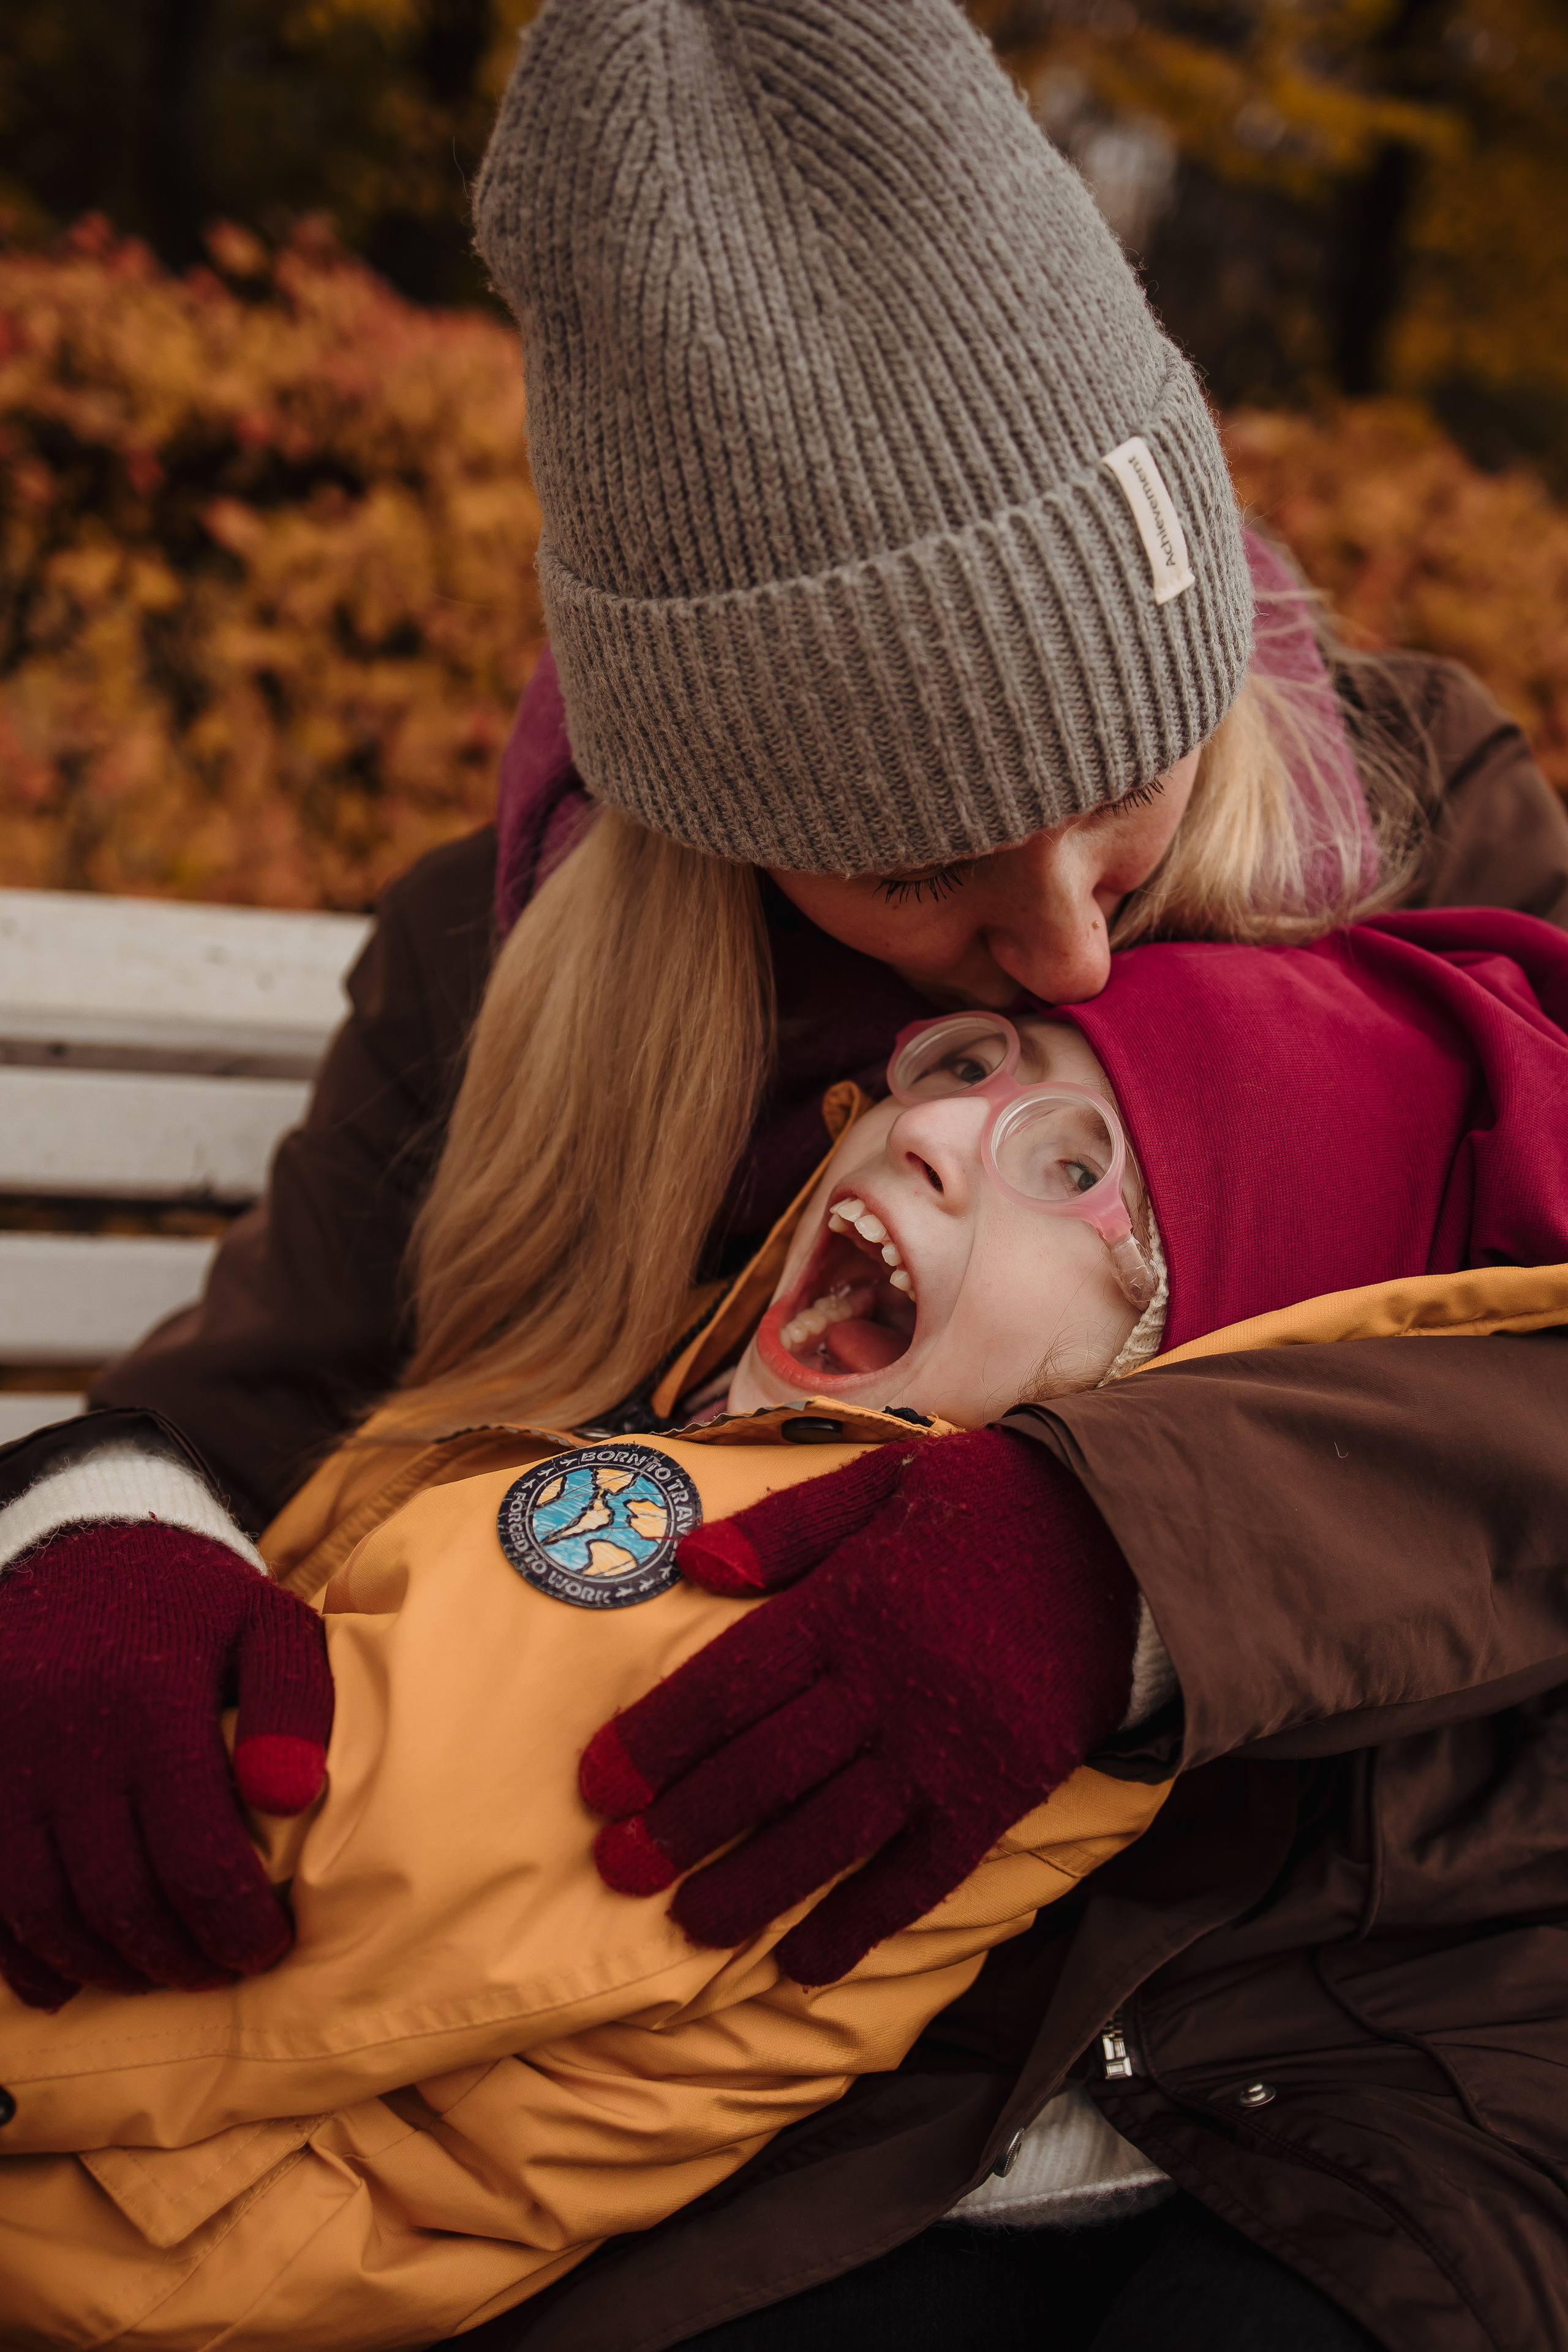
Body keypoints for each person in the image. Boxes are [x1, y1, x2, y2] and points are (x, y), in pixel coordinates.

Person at [1, 0, 1566, 2343]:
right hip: (761, 2167)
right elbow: (255, 1396)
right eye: (927, 871)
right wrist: (91, 1545)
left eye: (1123, 790)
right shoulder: (498, 965)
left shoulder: (1422, 799)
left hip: (1362, 2070)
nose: (1060, 937)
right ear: (719, 807)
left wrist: (1116, 1559)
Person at [5, 907, 1567, 2352]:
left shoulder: (767, 1578)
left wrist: (1124, 1538)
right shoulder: (670, 1441)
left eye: (1074, 1169)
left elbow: (349, 1930)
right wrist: (89, 1519)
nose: (933, 1130)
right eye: (961, 1062)